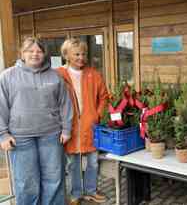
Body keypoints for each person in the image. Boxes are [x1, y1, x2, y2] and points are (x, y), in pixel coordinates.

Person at [0, 37, 72, 205]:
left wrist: (67, 129)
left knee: (54, 178)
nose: (35, 54)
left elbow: (65, 104)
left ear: (44, 54)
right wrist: (2, 134)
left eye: (39, 51)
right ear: (22, 54)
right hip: (20, 138)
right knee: (26, 182)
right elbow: (1, 105)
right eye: (30, 51)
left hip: (51, 135)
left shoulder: (55, 76)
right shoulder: (7, 76)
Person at [57, 38, 109, 205]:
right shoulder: (58, 74)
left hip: (90, 124)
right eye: (76, 54)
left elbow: (104, 97)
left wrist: (97, 115)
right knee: (73, 163)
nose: (81, 57)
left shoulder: (94, 74)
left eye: (83, 54)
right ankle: (76, 193)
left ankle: (91, 191)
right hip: (69, 126)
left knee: (93, 161)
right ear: (66, 55)